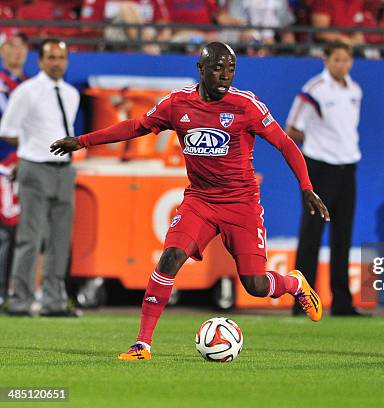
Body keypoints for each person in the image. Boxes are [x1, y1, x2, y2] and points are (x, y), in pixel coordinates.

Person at [50, 41, 330, 360]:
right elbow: (136, 126)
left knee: (254, 284)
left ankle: (293, 285)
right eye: (217, 67)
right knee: (169, 258)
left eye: (230, 68)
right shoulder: (177, 104)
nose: (225, 75)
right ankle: (142, 344)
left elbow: (285, 143)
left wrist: (306, 187)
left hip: (241, 204)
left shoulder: (246, 106)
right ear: (200, 69)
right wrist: (84, 141)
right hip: (200, 200)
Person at [0, 39, 81, 317]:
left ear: (67, 61)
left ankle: (53, 301)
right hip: (34, 166)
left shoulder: (71, 93)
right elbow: (7, 129)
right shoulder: (26, 91)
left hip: (65, 169)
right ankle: (20, 300)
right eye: (51, 57)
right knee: (30, 237)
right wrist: (32, 144)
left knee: (60, 238)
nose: (56, 62)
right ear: (40, 61)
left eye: (61, 57)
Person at [286, 41, 363, 316]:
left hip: (347, 168)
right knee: (311, 234)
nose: (342, 64)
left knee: (343, 235)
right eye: (337, 59)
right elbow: (291, 128)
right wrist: (317, 142)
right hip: (319, 168)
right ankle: (301, 300)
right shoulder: (313, 91)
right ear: (326, 59)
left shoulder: (355, 90)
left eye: (346, 59)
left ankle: (342, 302)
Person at [0, 31, 28, 308]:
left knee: (19, 232)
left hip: (22, 164)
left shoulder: (28, 84)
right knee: (4, 232)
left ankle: (14, 291)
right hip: (4, 164)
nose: (16, 51)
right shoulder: (3, 83)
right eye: (11, 46)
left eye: (21, 47)